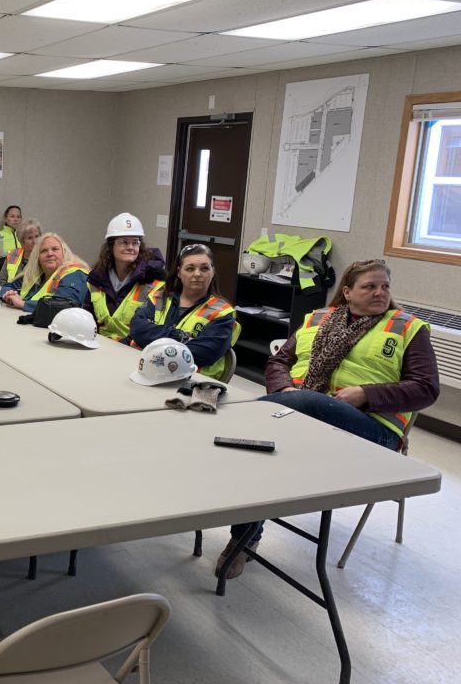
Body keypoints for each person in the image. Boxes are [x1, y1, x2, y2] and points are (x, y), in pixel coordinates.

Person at [218, 259, 441, 580]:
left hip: (372, 429)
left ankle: (238, 432)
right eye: (370, 286)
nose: (380, 292)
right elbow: (279, 362)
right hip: (302, 415)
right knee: (261, 454)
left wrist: (366, 393)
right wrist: (285, 390)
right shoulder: (318, 318)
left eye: (385, 286)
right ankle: (243, 539)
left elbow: (426, 388)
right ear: (348, 292)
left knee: (289, 411)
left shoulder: (408, 328)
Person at [128, 243, 239, 380]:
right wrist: (182, 337)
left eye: (204, 268)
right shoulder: (159, 298)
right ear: (179, 272)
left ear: (213, 272)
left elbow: (204, 353)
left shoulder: (222, 312)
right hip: (149, 373)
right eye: (190, 268)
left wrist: (151, 340)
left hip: (191, 383)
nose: (197, 274)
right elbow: (137, 329)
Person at [85, 213, 166, 341]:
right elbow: (87, 317)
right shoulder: (97, 278)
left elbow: (155, 328)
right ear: (111, 246)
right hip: (98, 346)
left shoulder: (154, 281)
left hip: (133, 350)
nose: (130, 247)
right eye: (124, 242)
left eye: (135, 242)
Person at [0, 233, 89, 312]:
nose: (49, 254)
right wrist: (8, 296)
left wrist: (23, 304)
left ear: (64, 253)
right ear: (38, 257)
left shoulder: (74, 274)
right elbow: (8, 286)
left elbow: (64, 307)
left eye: (55, 249)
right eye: (44, 251)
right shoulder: (36, 275)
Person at [0, 218, 41, 284]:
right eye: (30, 238)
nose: (34, 241)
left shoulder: (44, 256)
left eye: (37, 236)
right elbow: (1, 280)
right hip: (10, 292)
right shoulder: (13, 255)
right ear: (21, 241)